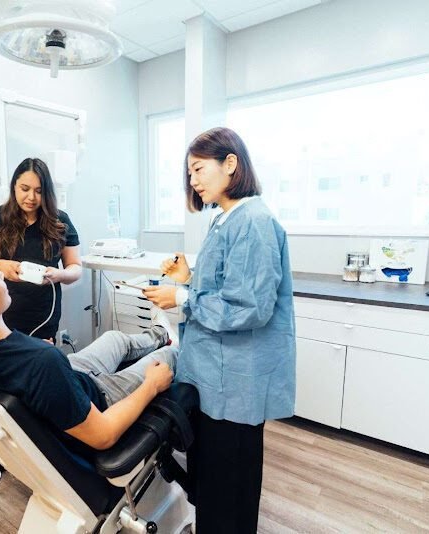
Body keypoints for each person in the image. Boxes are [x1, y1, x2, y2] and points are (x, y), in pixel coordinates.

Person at [143, 127, 296, 533]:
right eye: (188, 173)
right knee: (212, 481)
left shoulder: (254, 222)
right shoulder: (224, 218)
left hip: (235, 385)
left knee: (230, 486)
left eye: (198, 169)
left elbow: (249, 308)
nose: (192, 180)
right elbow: (227, 288)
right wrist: (188, 279)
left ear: (230, 163)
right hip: (214, 377)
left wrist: (182, 298)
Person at [0, 245, 176, 456]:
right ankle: (170, 346)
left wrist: (38, 352)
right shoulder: (41, 363)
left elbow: (29, 369)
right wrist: (152, 385)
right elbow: (103, 435)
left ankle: (161, 334)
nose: (1, 274)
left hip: (66, 377)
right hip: (97, 398)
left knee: (115, 339)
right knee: (167, 358)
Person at [0, 157, 82, 486]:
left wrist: (59, 275)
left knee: (37, 384)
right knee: (2, 387)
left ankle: (39, 449)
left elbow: (76, 268)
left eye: (37, 191)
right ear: (13, 187)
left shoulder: (60, 222)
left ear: (47, 192)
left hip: (43, 314)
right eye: (24, 189)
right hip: (0, 315)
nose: (30, 197)